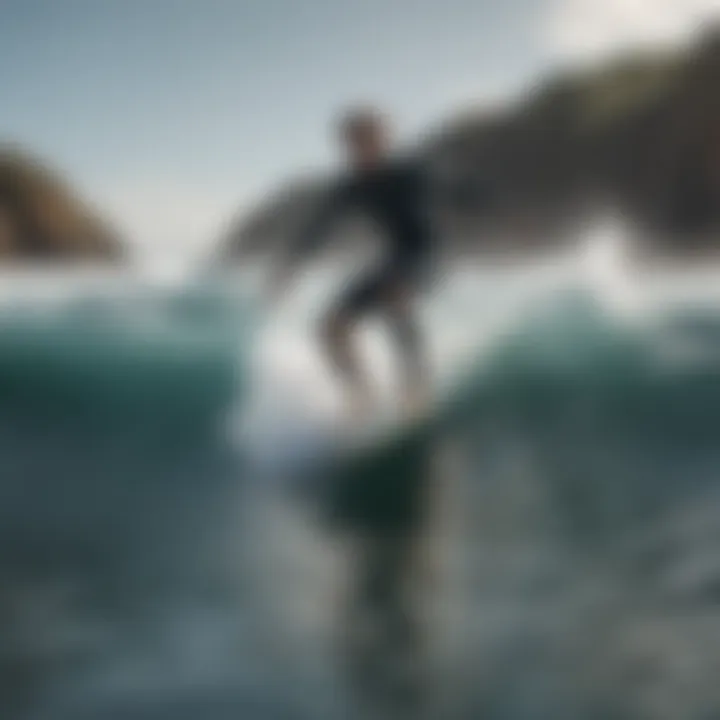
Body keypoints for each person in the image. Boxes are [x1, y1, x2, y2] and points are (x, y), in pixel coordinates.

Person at [268, 107, 435, 420]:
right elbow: (319, 228)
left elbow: (458, 191)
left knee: (395, 294)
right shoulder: (353, 187)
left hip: (424, 257)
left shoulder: (410, 173)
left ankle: (416, 387)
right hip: (393, 259)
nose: (361, 149)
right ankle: (360, 395)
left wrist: (493, 211)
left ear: (384, 139)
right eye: (353, 143)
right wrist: (289, 267)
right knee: (329, 327)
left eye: (367, 139)